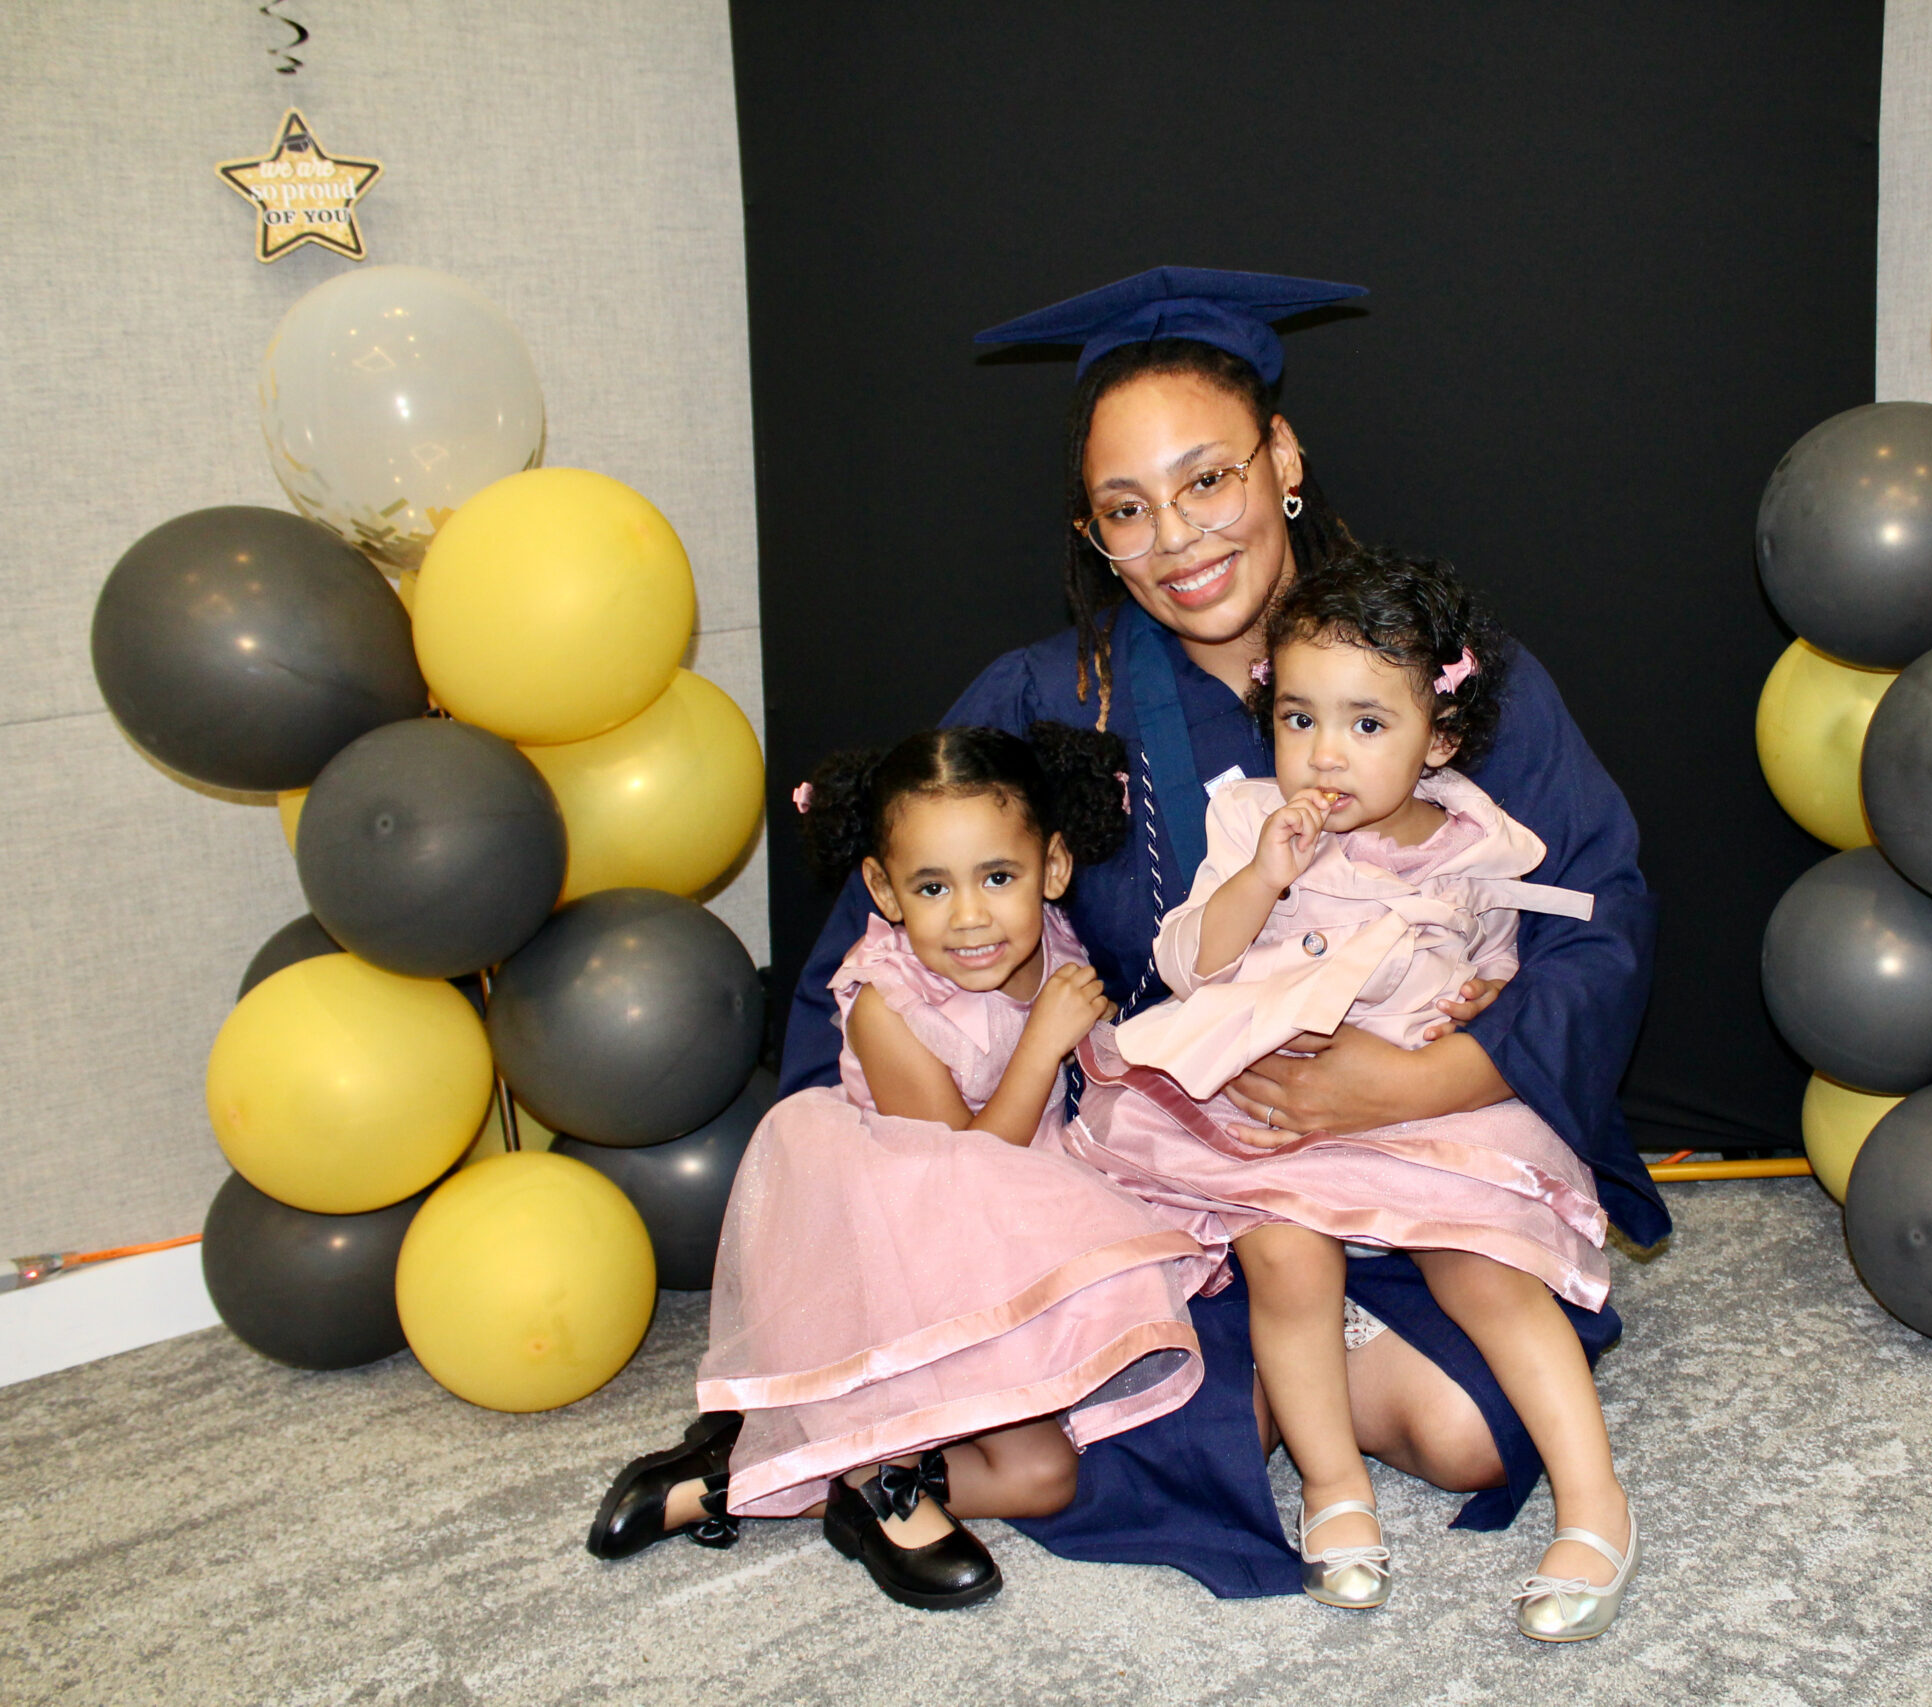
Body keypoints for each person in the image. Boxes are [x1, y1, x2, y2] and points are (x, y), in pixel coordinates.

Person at [599, 267, 1668, 1601]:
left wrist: (1418, 1078)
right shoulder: (1050, 698)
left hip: (1423, 1145)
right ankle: (921, 1418)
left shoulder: (1433, 671)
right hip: (1165, 1182)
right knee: (1203, 1386)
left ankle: (1069, 1405)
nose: (1177, 538)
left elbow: (1599, 910)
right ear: (1094, 530)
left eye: (1207, 480)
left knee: (1468, 1434)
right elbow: (879, 965)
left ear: (1280, 459)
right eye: (1127, 507)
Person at [1071, 547, 1637, 1639]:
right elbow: (1189, 962)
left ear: (1442, 737)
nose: (1326, 754)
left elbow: (1504, 954)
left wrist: (1483, 994)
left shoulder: (1479, 837)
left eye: (1368, 725)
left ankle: (1595, 1500)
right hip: (1274, 1111)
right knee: (1285, 1253)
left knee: (1486, 1264)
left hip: (1421, 1113)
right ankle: (1334, 1492)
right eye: (1298, 719)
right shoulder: (1248, 823)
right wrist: (1260, 880)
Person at [589, 724, 1220, 1612]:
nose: (970, 916)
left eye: (999, 877)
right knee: (1039, 1472)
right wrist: (1041, 1046)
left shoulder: (1050, 941)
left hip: (1005, 1240)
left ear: (1054, 867)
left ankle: (809, 1476)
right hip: (903, 1260)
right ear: (884, 890)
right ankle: (787, 1470)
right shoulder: (889, 1003)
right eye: (933, 886)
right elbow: (962, 1174)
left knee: (1050, 1469)